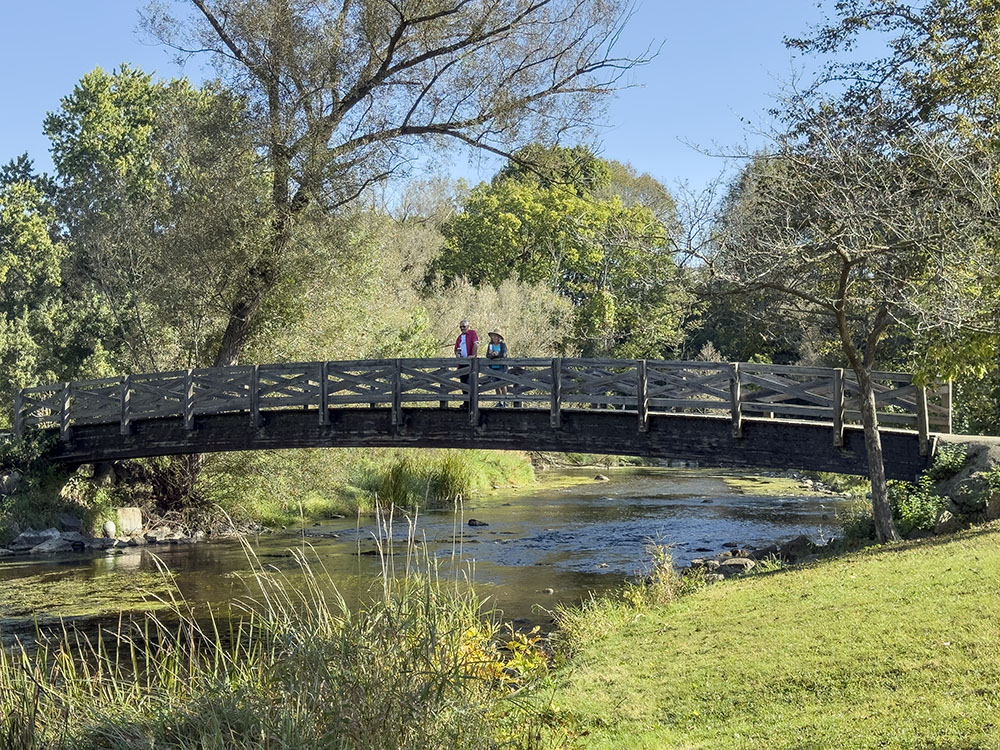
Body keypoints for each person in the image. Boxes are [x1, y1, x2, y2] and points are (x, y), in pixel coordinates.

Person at [485, 328, 509, 406]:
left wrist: (497, 354)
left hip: (502, 368)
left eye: (495, 336)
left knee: (502, 384)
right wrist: (492, 355)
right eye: (493, 336)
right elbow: (487, 355)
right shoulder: (490, 345)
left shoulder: (502, 345)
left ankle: (505, 401)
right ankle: (499, 401)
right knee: (496, 385)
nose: (494, 338)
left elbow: (504, 354)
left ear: (499, 337)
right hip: (493, 367)